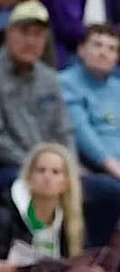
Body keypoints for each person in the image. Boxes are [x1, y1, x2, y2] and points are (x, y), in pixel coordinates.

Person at [0, 0, 120, 246]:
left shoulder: (49, 78)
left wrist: (66, 167)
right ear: (8, 33)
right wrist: (37, 166)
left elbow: (64, 131)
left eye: (38, 35)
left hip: (50, 167)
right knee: (38, 184)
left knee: (108, 189)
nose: (32, 41)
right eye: (25, 32)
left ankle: (86, 256)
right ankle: (29, 254)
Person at [0, 143, 86, 272]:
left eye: (55, 172)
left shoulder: (70, 221)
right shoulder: (3, 217)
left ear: (66, 183)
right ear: (29, 177)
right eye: (41, 170)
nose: (47, 177)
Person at [60, 25, 120, 191]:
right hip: (90, 167)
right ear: (81, 50)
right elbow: (81, 132)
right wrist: (115, 168)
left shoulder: (117, 87)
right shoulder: (65, 83)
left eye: (112, 49)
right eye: (97, 45)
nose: (104, 53)